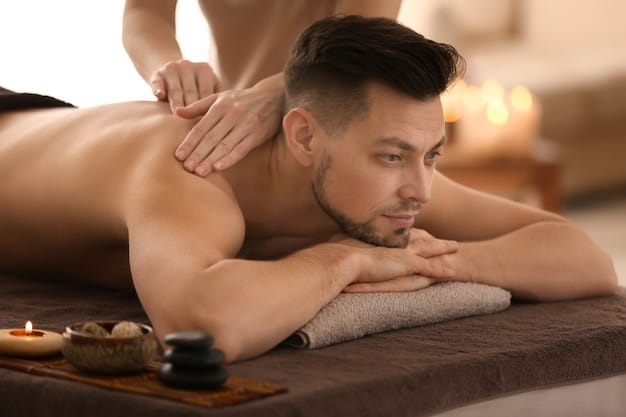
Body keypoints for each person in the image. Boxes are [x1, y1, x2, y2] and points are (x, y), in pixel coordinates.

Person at [0, 16, 617, 363]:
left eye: (430, 156)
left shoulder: (372, 181)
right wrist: (346, 259)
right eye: (392, 156)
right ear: (303, 139)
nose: (421, 190)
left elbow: (585, 259)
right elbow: (202, 325)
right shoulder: (190, 174)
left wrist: (437, 259)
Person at [122, 0, 401, 176]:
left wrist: (282, 91)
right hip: (229, 126)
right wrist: (169, 68)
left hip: (337, 125)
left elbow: (360, 33)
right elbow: (145, 9)